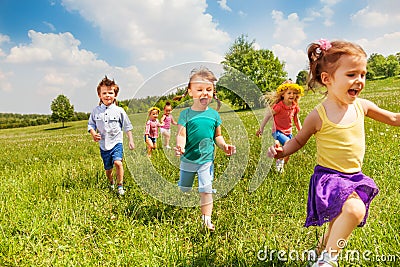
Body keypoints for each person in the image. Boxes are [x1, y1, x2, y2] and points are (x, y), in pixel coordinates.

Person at [267, 39, 400, 267]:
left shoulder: (362, 106)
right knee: (354, 209)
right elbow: (298, 139)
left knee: (336, 225)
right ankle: (328, 260)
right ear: (327, 79)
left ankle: (318, 253)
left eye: (363, 74)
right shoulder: (319, 115)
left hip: (354, 176)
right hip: (329, 177)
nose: (359, 81)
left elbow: (394, 118)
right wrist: (282, 151)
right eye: (351, 75)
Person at [174, 66, 236, 231]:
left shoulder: (214, 115)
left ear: (213, 91)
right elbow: (181, 134)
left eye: (209, 89)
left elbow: (217, 136)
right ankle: (181, 184)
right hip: (188, 158)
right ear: (190, 92)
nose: (205, 93)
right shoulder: (185, 114)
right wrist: (180, 146)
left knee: (206, 188)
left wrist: (224, 145)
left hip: (206, 160)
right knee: (184, 188)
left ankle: (206, 220)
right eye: (199, 89)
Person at [88, 76, 135, 196]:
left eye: (110, 92)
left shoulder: (119, 111)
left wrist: (130, 140)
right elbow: (91, 125)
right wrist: (93, 134)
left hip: (116, 143)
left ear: (115, 95)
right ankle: (111, 182)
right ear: (99, 95)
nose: (107, 95)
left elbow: (127, 126)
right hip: (104, 145)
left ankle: (120, 186)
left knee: (118, 163)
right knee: (108, 169)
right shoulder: (95, 111)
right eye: (104, 93)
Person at [256, 79, 303, 172]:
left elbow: (296, 120)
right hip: (277, 131)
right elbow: (268, 116)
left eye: (294, 93)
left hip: (288, 132)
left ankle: (281, 163)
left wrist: (301, 131)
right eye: (289, 93)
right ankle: (279, 158)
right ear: (283, 95)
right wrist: (261, 128)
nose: (292, 95)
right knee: (288, 143)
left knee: (290, 149)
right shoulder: (279, 106)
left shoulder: (295, 106)